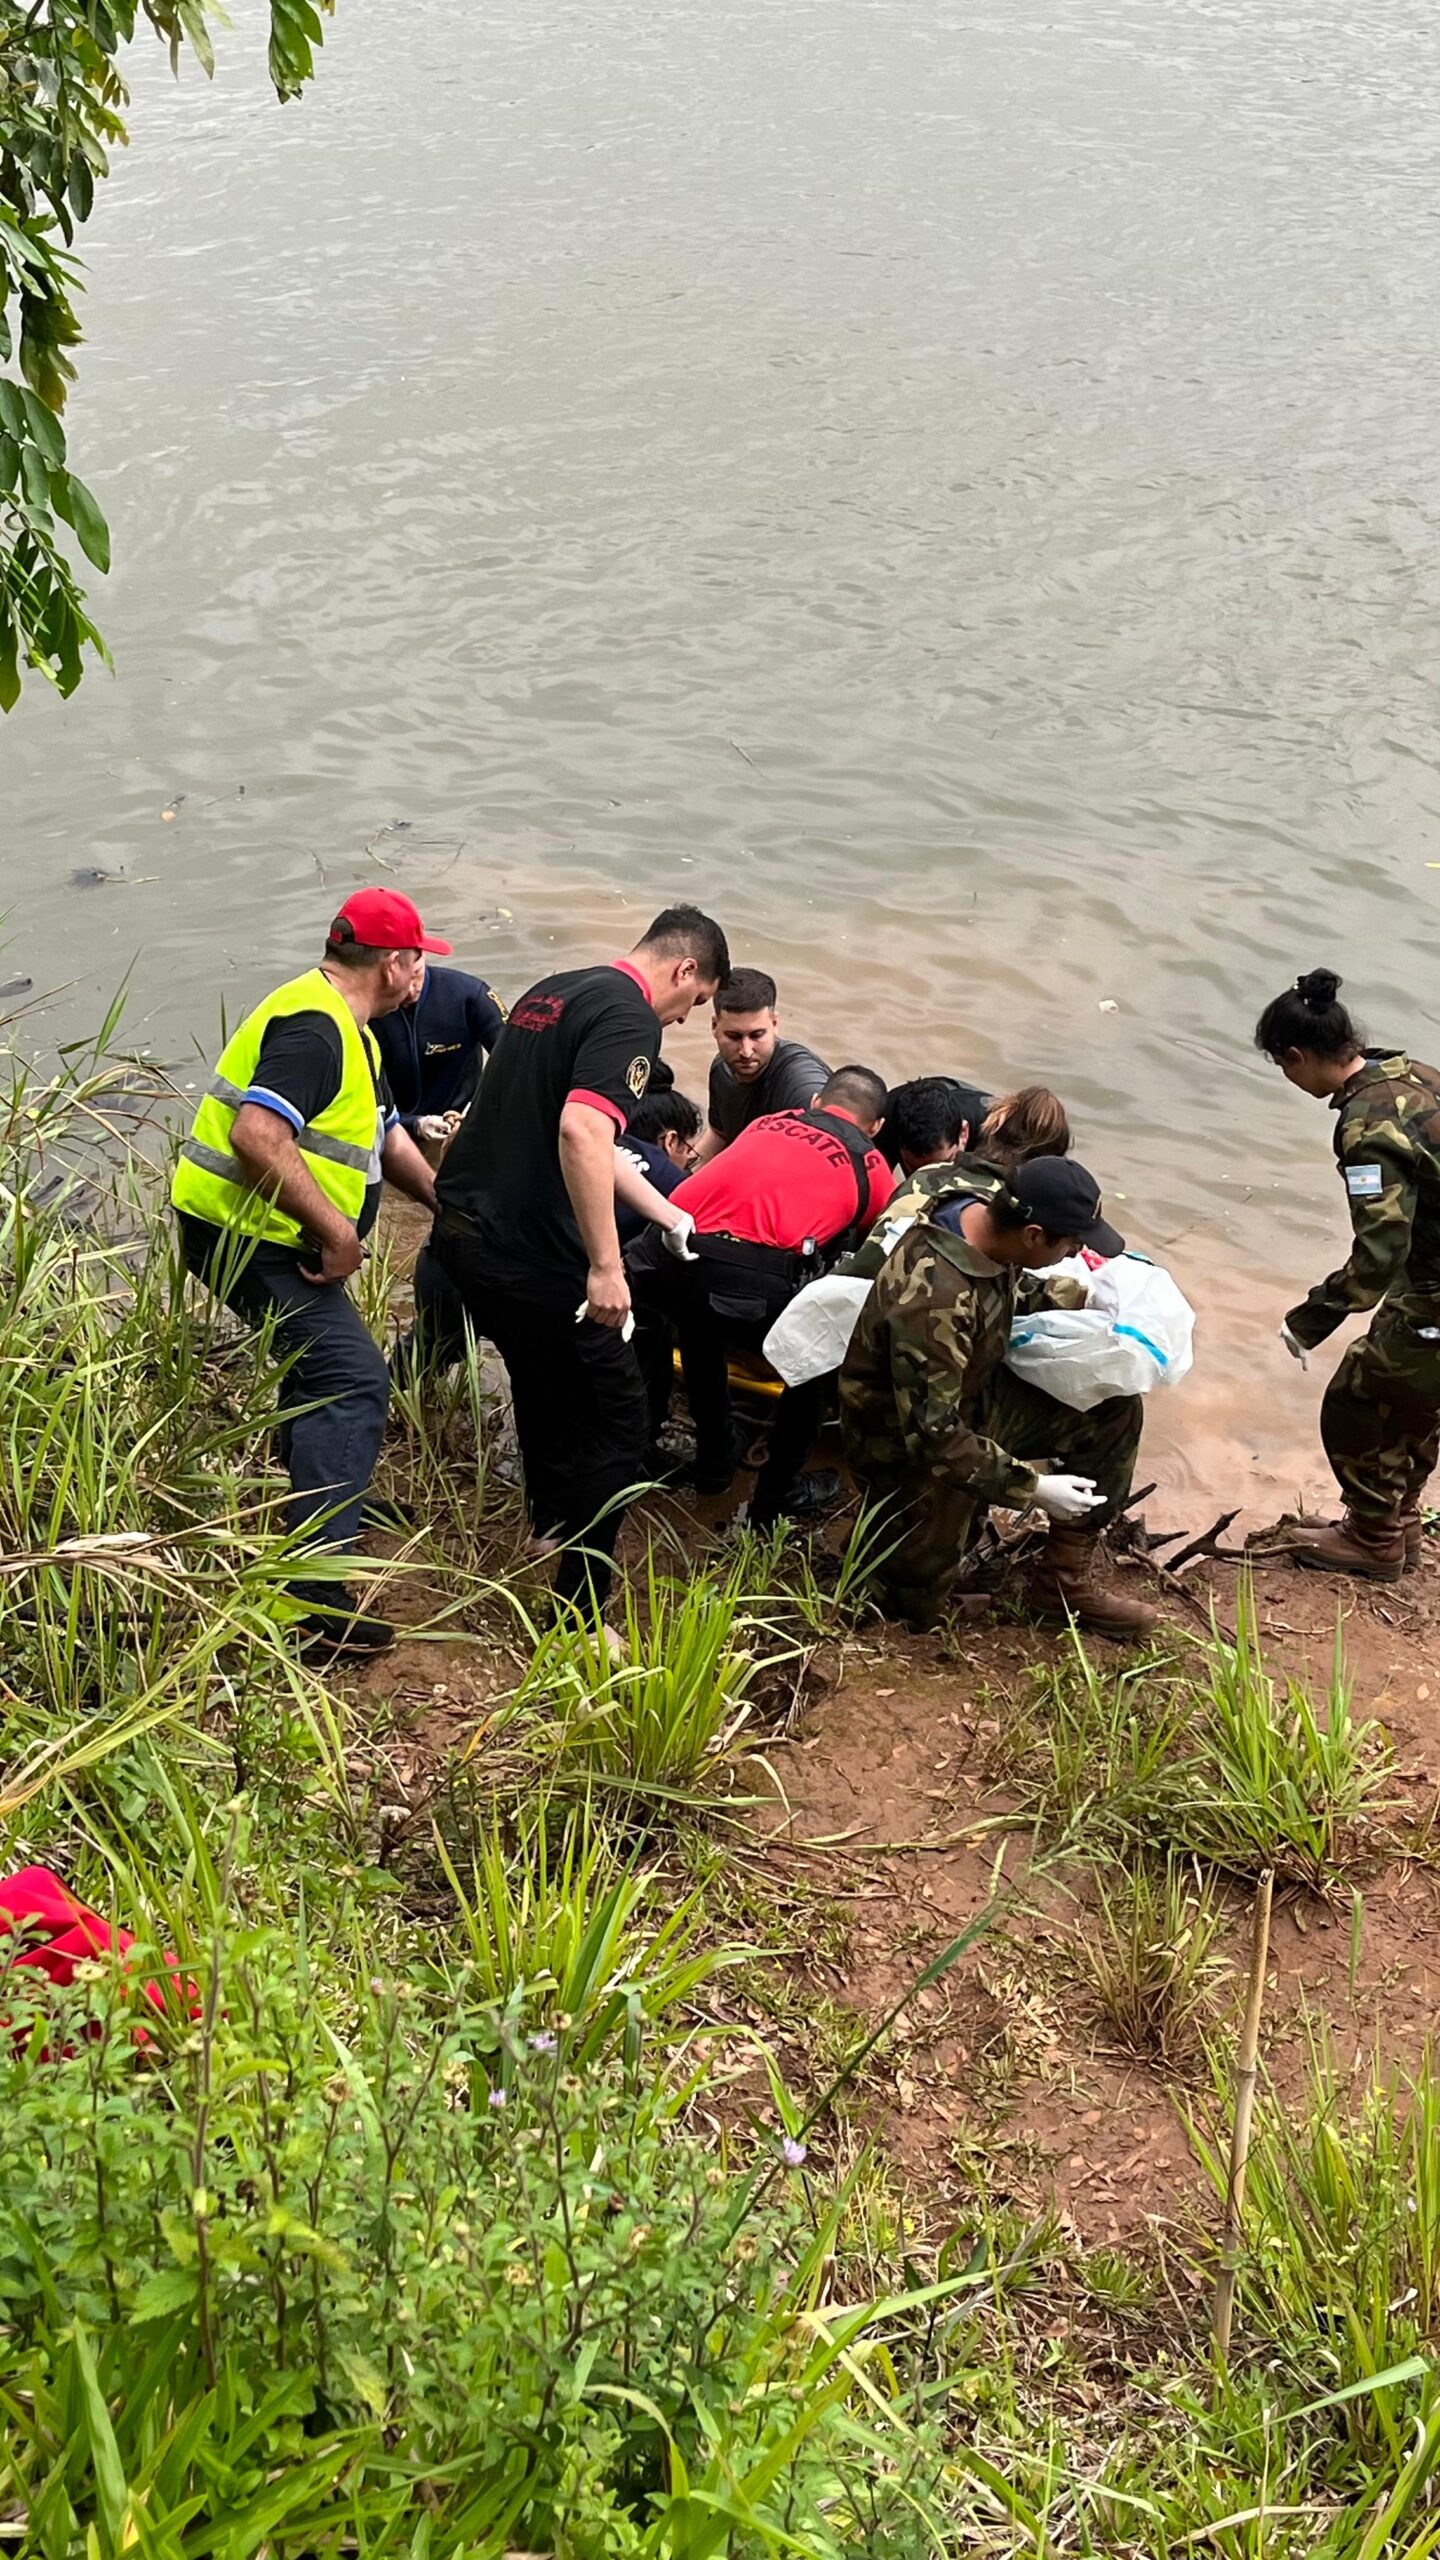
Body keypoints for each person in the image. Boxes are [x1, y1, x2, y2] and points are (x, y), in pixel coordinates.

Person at [171, 888, 448, 1654]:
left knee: (317, 1364)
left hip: (260, 1233)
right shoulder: (315, 1030)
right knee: (353, 1378)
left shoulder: (352, 1029)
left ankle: (320, 1490)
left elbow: (384, 1137)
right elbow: (257, 1135)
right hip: (242, 1236)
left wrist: (443, 1202)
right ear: (394, 964)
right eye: (420, 959)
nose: (424, 974)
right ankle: (313, 1603)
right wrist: (337, 1234)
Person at [430, 906, 729, 1612]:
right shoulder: (631, 1019)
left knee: (543, 1377)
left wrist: (667, 1213)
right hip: (525, 1252)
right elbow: (582, 1131)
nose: (687, 1019)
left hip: (462, 1234)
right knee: (619, 1418)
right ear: (685, 970)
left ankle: (550, 1520)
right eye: (701, 1000)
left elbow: (582, 1136)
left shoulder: (554, 990)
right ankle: (581, 1611)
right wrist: (606, 1266)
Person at [840, 1156, 1157, 1638]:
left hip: (968, 1397)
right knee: (912, 1607)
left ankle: (1060, 1586)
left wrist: (1086, 1297)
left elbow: (1008, 1289)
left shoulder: (982, 1224)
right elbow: (934, 1436)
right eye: (1070, 1243)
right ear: (1033, 1234)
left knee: (1110, 1406)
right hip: (901, 1442)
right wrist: (1034, 1488)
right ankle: (899, 1557)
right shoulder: (934, 1299)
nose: (1073, 1253)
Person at [629, 1065, 893, 1519]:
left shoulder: (769, 1121)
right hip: (749, 1281)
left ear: (815, 1104)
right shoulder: (872, 1164)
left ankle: (712, 1464)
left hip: (664, 1252)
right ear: (876, 1127)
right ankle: (775, 1499)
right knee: (814, 1365)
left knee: (699, 1329)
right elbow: (873, 1249)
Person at [1258, 967, 1440, 1581]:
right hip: (1429, 1279)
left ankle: (1373, 1537)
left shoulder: (1367, 1127)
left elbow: (1379, 1255)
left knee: (1356, 1397)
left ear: (1297, 1056)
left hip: (1433, 1285)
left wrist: (1310, 1319)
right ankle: (1400, 1519)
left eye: (1284, 1068)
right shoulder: (1412, 1075)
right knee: (1413, 1389)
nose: (1289, 1079)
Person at [693, 968, 830, 1161]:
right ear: (715, 1026)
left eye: (757, 1035)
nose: (746, 1051)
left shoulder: (802, 1083)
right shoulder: (721, 1068)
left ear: (774, 1024)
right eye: (734, 1037)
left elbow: (825, 1159)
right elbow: (719, 1136)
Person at [371, 954, 507, 1143]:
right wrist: (415, 1124)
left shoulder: (469, 994)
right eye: (402, 980)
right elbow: (359, 1098)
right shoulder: (368, 1010)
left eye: (416, 974)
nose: (410, 990)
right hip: (393, 1129)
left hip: (461, 1125)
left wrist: (480, 1110)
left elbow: (517, 1062)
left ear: (423, 957)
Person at [615, 1081, 703, 1245]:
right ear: (671, 1141)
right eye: (688, 1151)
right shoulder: (670, 1181)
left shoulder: (602, 1144)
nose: (686, 1163)